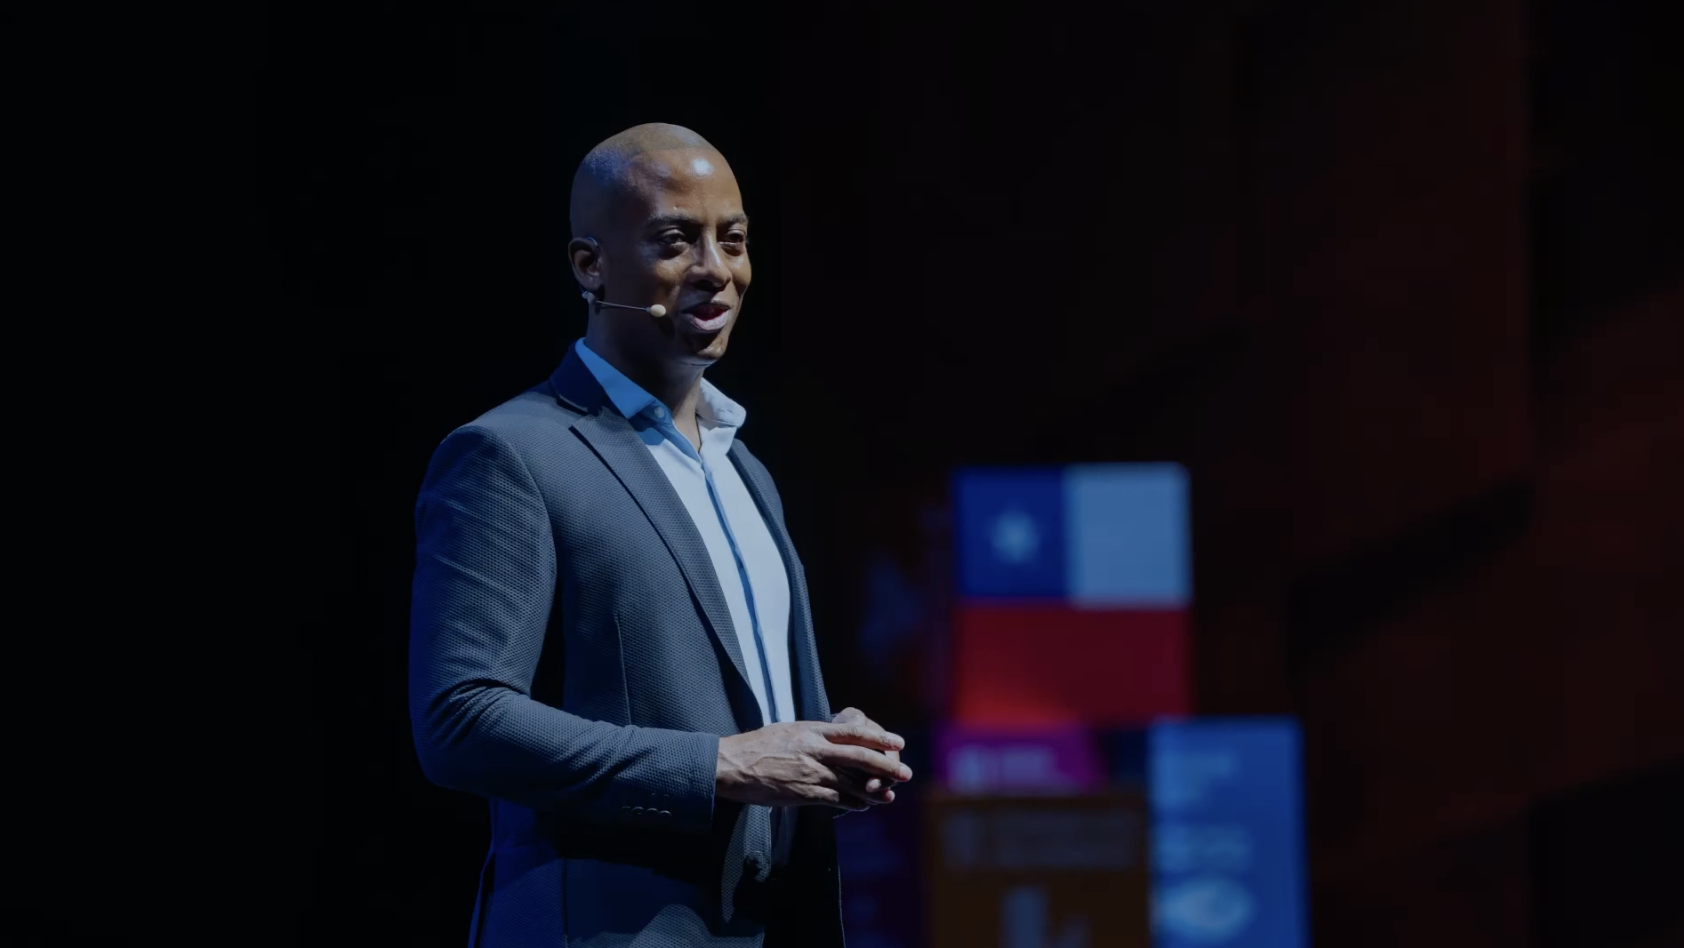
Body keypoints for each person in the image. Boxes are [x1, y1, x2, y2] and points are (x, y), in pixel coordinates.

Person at [408, 122, 911, 948]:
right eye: (676, 240)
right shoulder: (510, 455)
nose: (716, 270)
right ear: (589, 264)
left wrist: (824, 742)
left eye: (734, 239)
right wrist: (723, 765)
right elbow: (460, 720)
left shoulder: (745, 468)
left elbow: (750, 714)